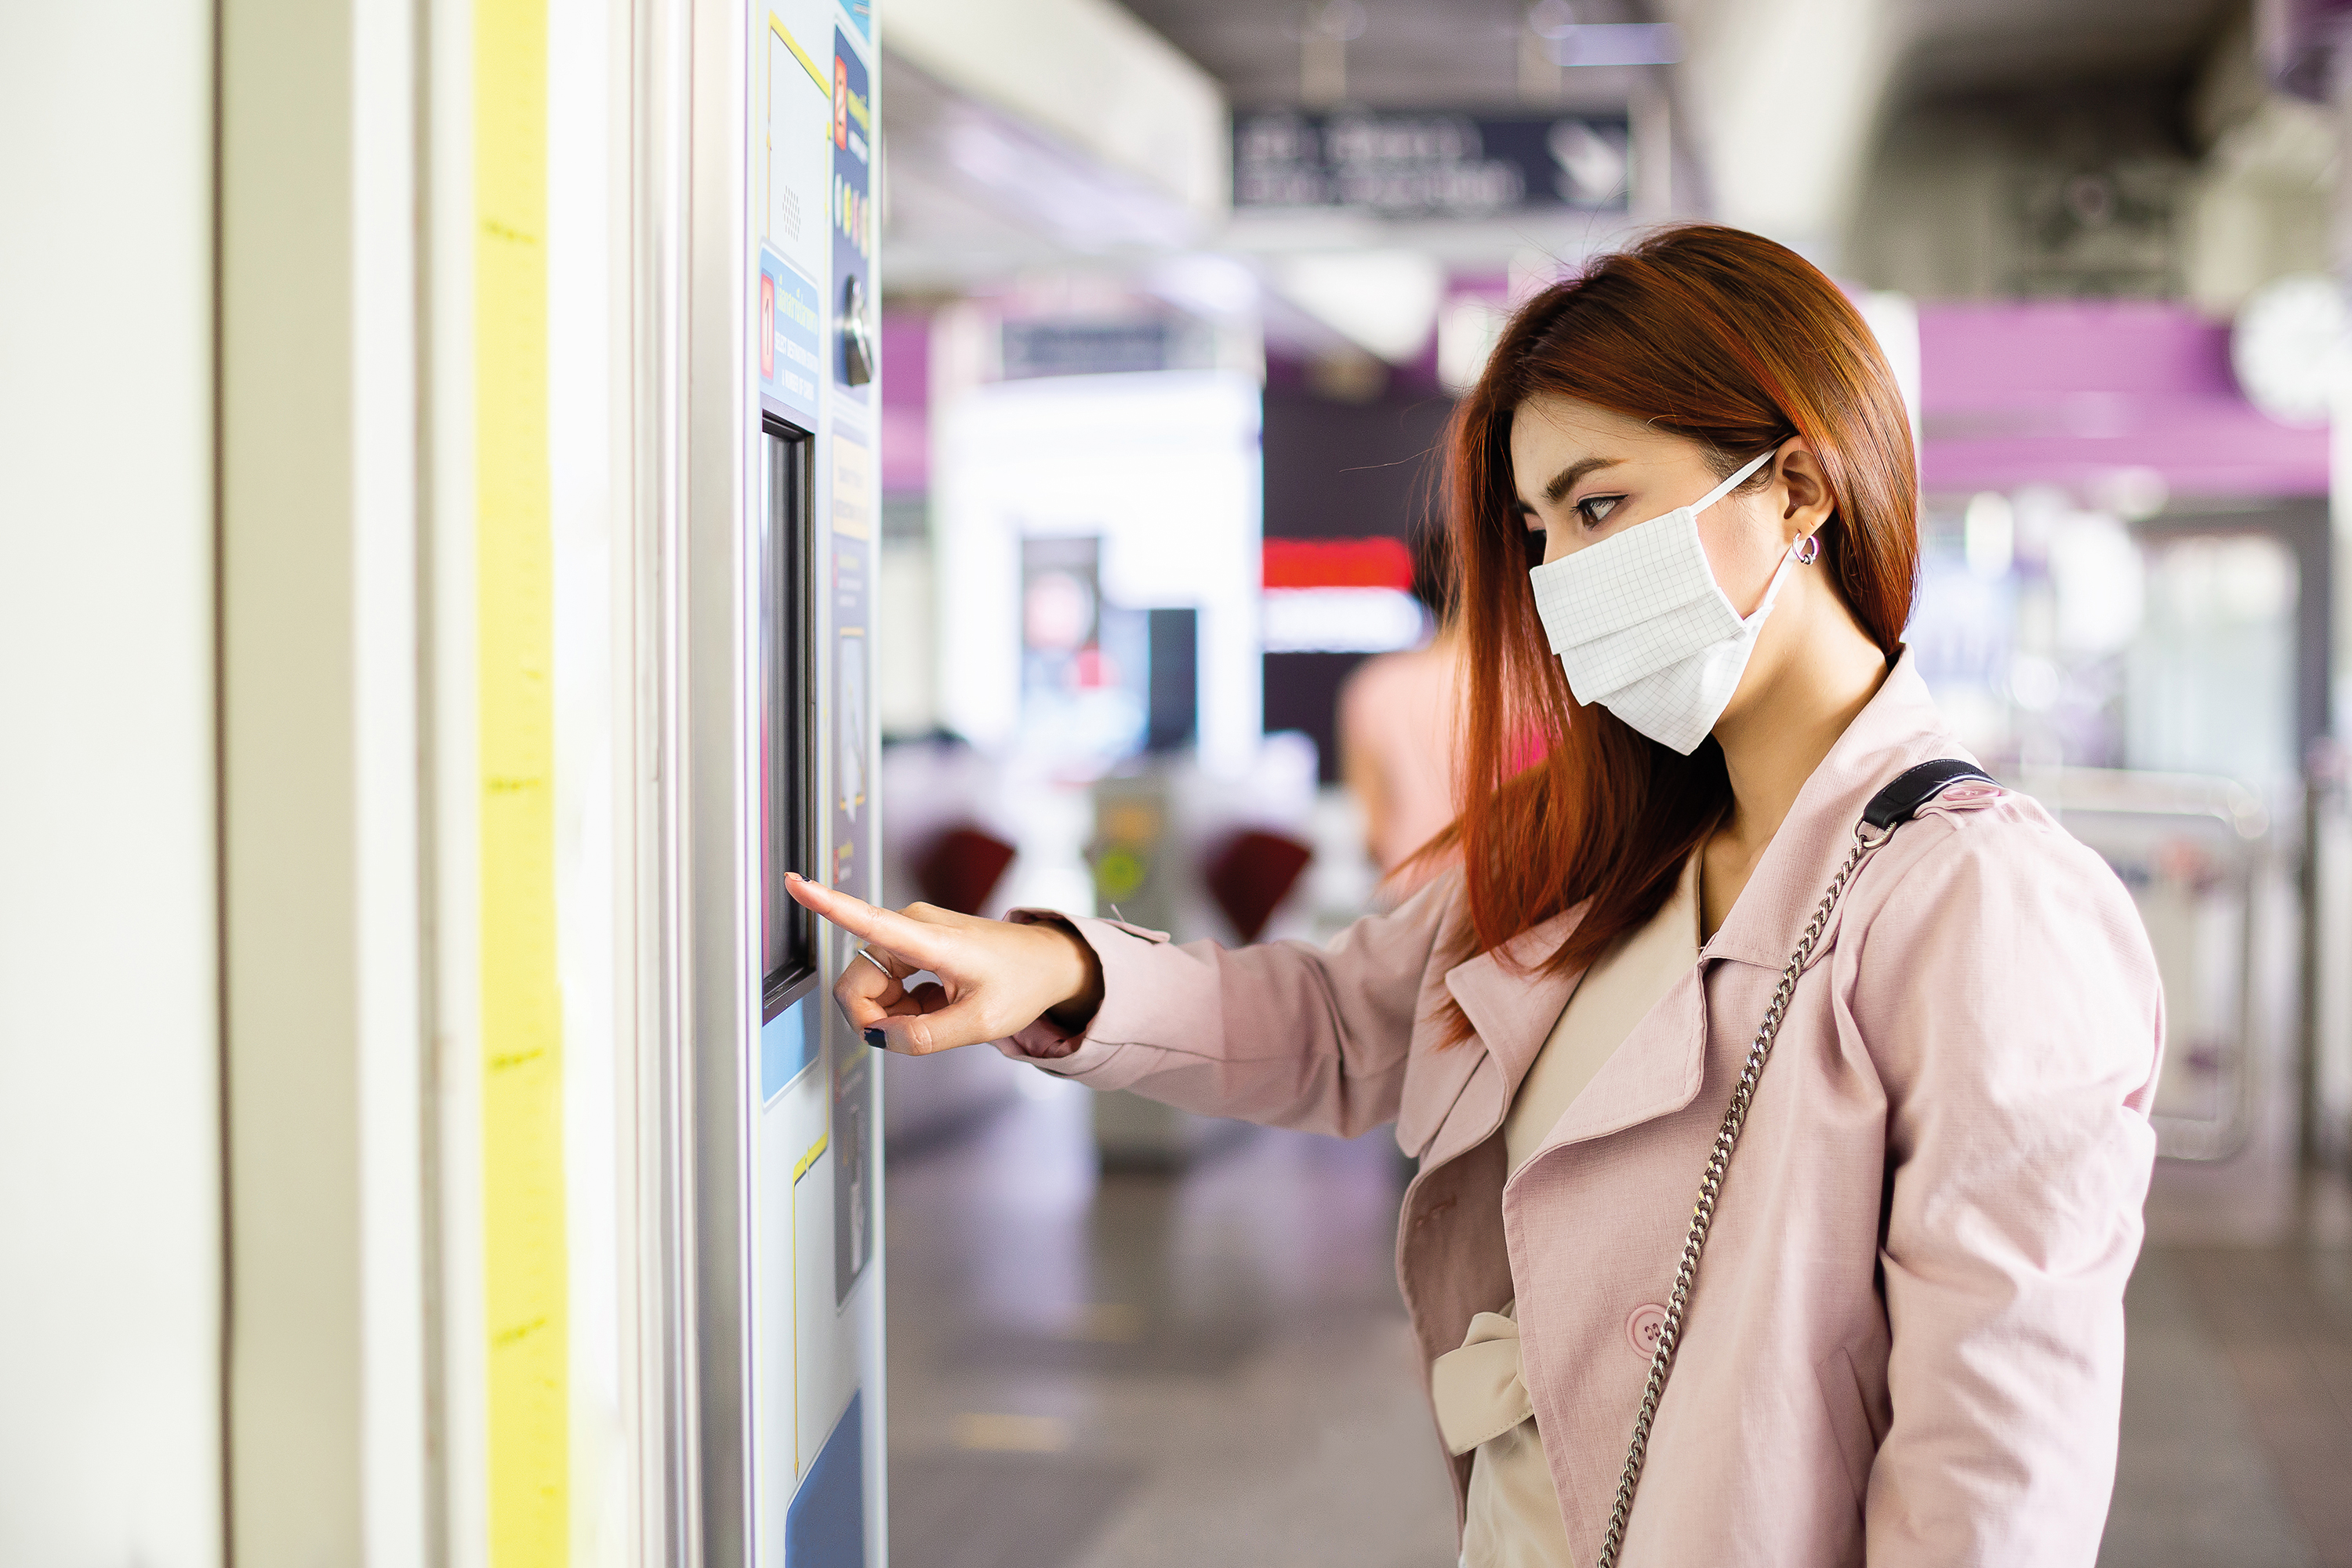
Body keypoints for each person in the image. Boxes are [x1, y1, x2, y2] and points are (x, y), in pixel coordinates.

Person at [787, 225, 2162, 1566]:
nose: (1562, 571)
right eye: (1538, 524)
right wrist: (1063, 973)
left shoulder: (1978, 901)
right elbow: (1340, 1021)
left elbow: (1997, 1456)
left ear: (1796, 488)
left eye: (1602, 504)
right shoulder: (1592, 842)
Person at [1338, 519, 1464, 900]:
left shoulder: (1374, 686)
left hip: (1411, 898)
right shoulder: (1536, 684)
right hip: (1515, 899)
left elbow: (1371, 829)